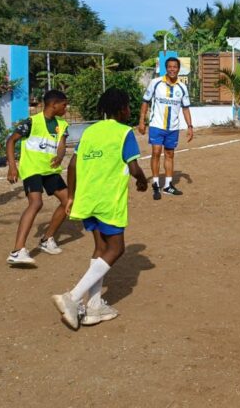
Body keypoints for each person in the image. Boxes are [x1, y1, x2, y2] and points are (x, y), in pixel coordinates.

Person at [52, 88, 148, 330]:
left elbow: (72, 165)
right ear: (122, 109)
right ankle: (72, 297)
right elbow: (134, 167)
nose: (129, 110)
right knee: (116, 248)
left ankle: (94, 306)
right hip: (108, 201)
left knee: (100, 248)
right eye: (128, 106)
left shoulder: (89, 131)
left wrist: (71, 196)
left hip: (87, 199)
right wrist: (142, 180)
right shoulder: (124, 132)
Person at [5, 90, 71, 266]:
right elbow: (11, 141)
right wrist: (12, 166)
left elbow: (62, 145)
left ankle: (47, 239)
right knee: (36, 203)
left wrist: (60, 156)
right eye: (64, 105)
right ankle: (17, 251)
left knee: (68, 201)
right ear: (53, 105)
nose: (66, 108)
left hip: (50, 170)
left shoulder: (62, 125)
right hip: (32, 169)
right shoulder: (31, 122)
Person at [138, 57, 194, 199]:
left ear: (178, 69)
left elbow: (185, 108)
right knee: (156, 152)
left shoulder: (182, 87)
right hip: (156, 125)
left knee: (169, 154)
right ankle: (156, 184)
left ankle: (168, 186)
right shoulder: (155, 83)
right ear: (166, 68)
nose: (172, 69)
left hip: (173, 128)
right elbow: (145, 101)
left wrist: (190, 126)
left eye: (175, 67)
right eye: (170, 67)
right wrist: (142, 121)